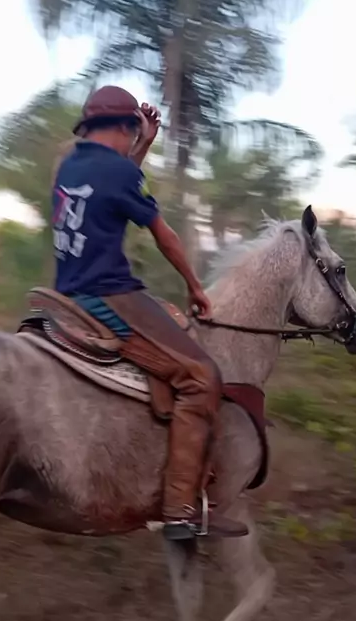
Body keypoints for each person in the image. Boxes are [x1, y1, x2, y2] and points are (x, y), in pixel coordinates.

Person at [52, 85, 247, 541]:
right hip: (108, 295)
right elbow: (164, 235)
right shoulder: (119, 170)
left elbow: (114, 187)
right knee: (202, 376)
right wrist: (195, 286)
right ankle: (180, 510)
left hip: (66, 292)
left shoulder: (71, 165)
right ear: (125, 127)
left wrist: (142, 145)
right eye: (132, 132)